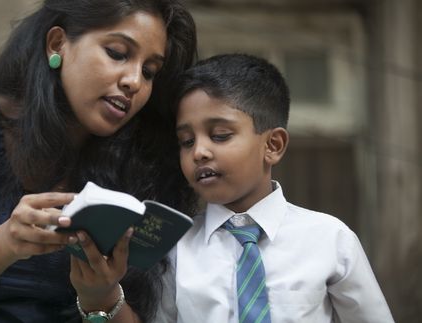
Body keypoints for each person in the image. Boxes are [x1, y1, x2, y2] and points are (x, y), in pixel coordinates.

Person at [0, 0, 197, 322]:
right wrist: (5, 242)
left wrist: (102, 295)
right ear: (58, 43)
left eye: (149, 71)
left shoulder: (137, 168)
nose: (134, 81)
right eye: (118, 53)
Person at [155, 53, 394, 322]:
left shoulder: (331, 240)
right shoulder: (175, 249)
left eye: (220, 135)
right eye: (186, 141)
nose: (199, 152)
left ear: (273, 145)